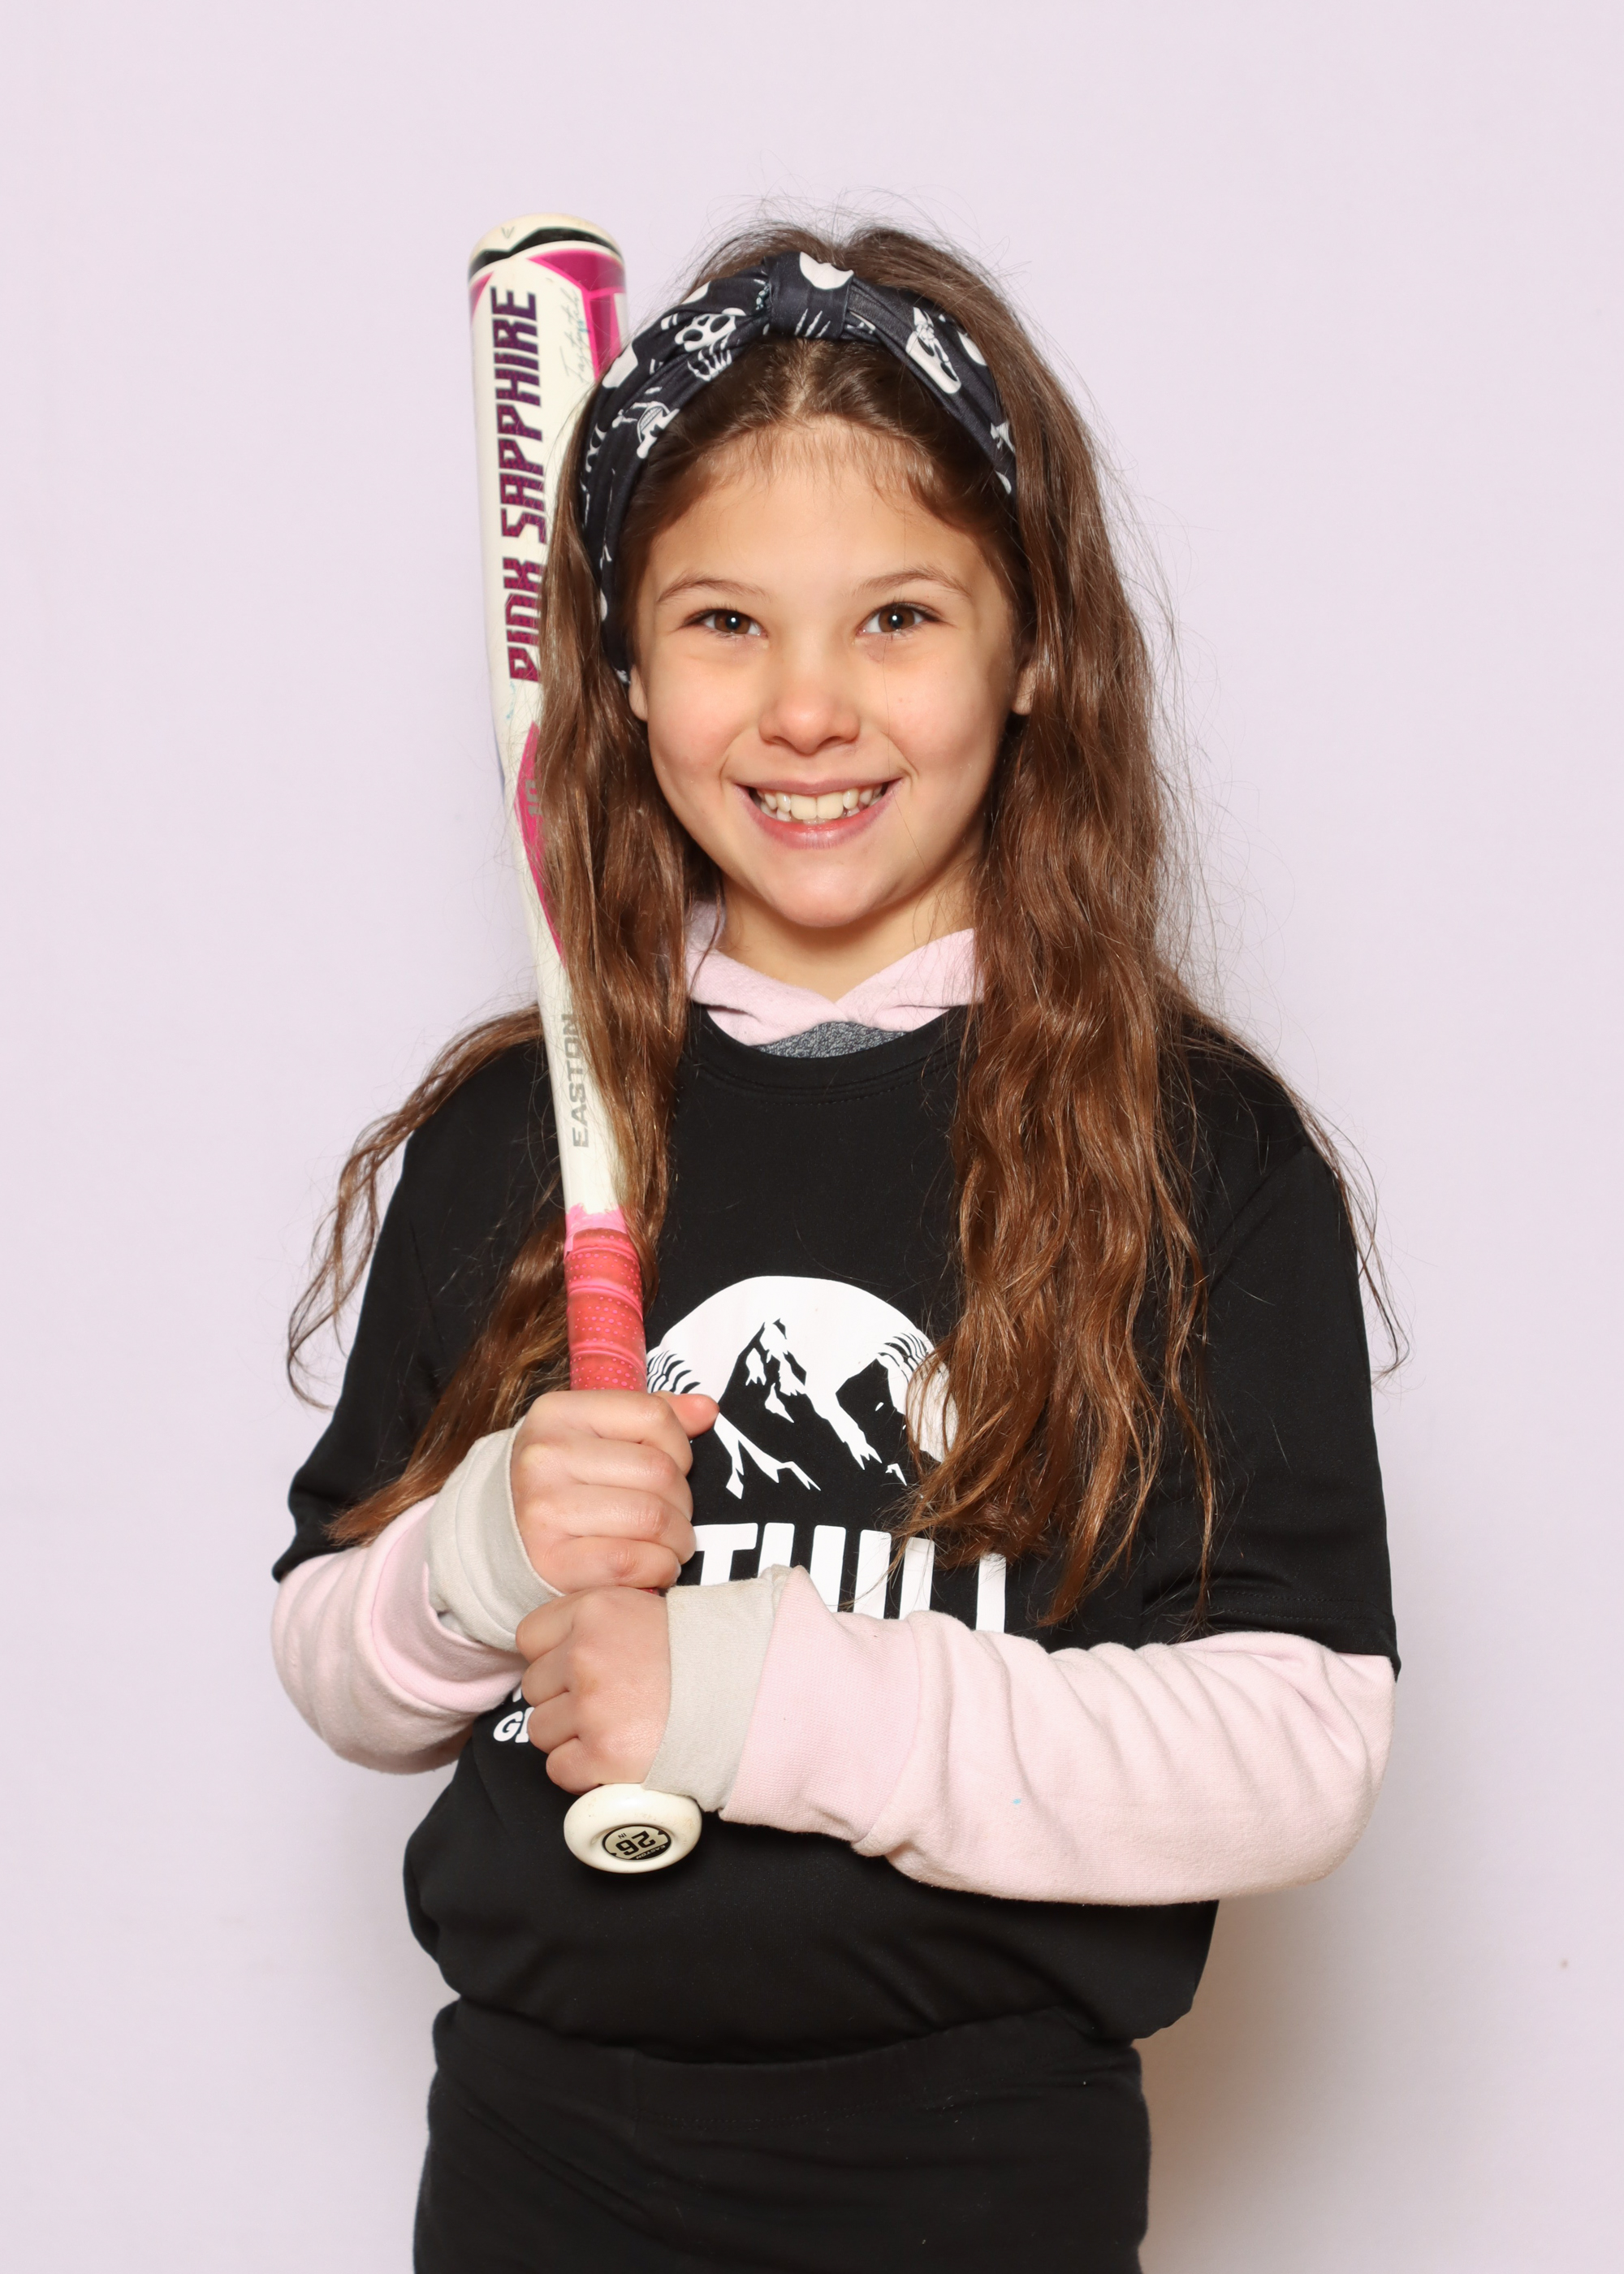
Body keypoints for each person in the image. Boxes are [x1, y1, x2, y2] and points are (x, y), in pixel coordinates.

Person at [272, 222, 1397, 2274]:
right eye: (722, 621)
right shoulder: (517, 1131)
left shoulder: (1186, 1150)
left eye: (895, 616)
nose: (805, 708)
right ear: (621, 672)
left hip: (978, 2172)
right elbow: (336, 1658)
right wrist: (478, 1553)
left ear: (1032, 648)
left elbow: (1296, 1744)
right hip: (534, 2166)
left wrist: (766, 1696)